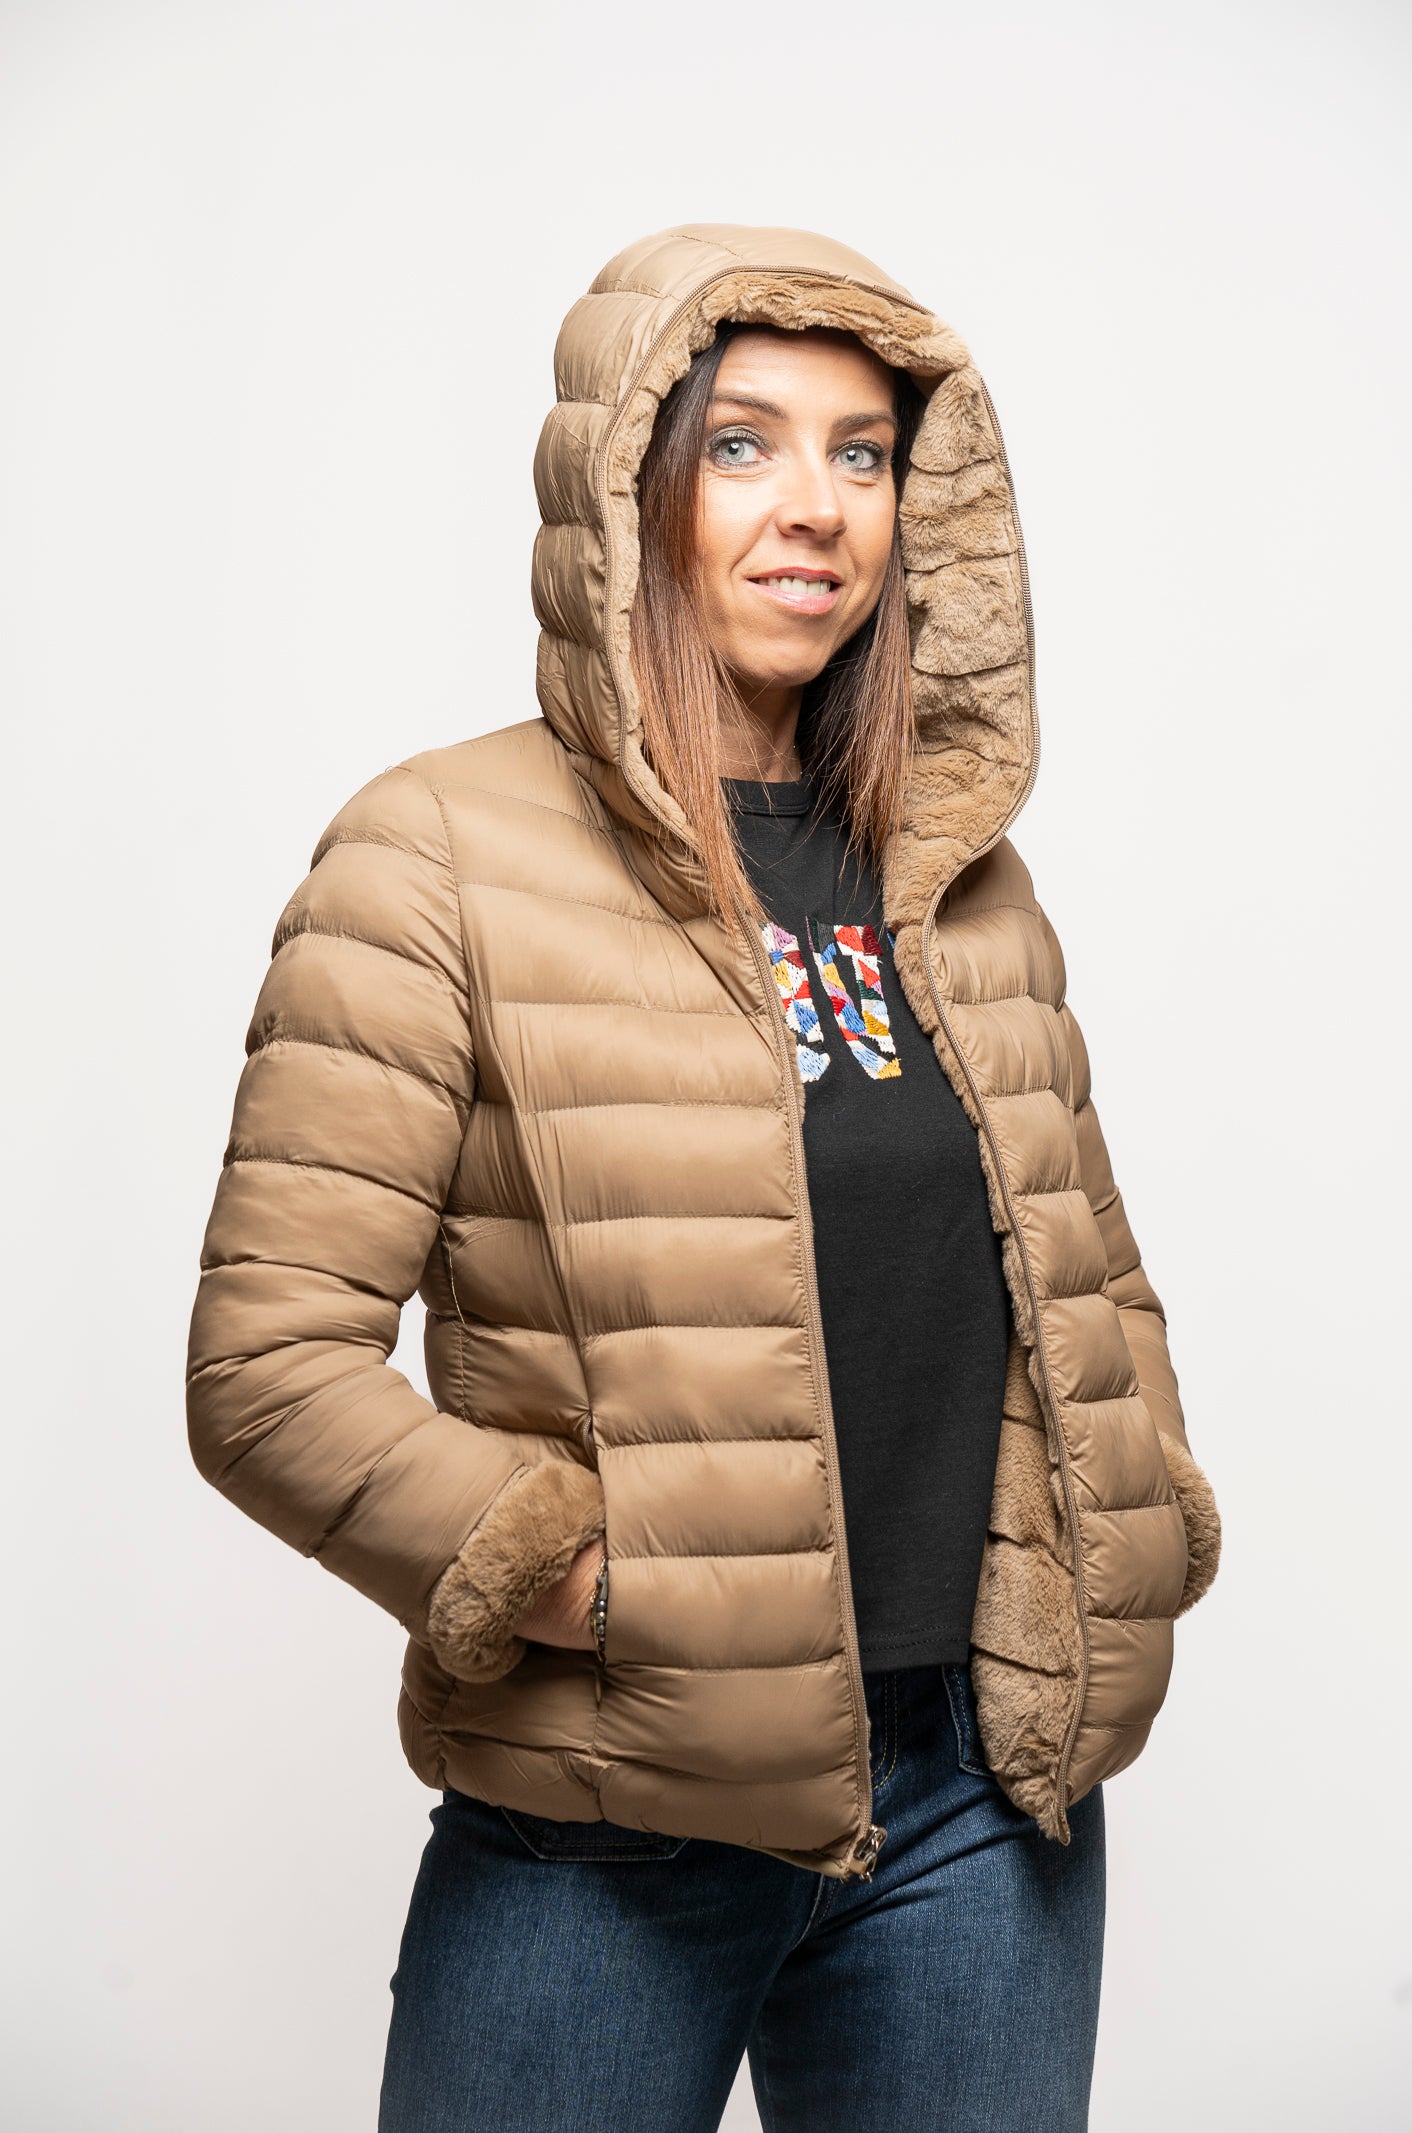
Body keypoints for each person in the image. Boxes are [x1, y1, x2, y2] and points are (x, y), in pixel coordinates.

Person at [185, 224, 1222, 2132]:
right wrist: (586, 1589)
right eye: (741, 444)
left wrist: (1136, 1517)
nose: (813, 505)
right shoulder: (433, 854)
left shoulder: (959, 877)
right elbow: (267, 1369)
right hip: (610, 1814)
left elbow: (1084, 1277)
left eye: (862, 452)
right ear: (624, 490)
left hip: (980, 1803)